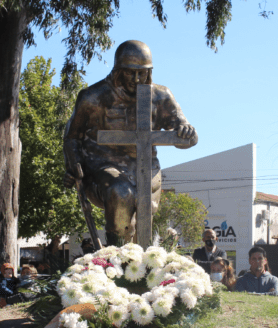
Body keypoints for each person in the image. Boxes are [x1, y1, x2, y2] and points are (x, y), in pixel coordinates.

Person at [63, 40, 198, 246]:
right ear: (118, 70)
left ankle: (141, 270)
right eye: (130, 72)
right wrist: (73, 165)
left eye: (142, 73)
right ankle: (117, 263)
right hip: (103, 167)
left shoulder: (161, 97)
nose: (136, 79)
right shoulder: (93, 97)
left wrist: (186, 131)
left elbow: (186, 138)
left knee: (144, 210)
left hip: (146, 167)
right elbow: (72, 136)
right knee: (121, 193)